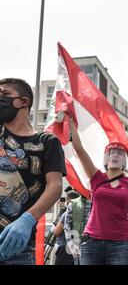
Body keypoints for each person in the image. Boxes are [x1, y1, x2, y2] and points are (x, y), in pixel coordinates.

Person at [0, 78, 65, 265]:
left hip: (15, 248)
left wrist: (29, 218)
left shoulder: (47, 143)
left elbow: (55, 186)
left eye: (4, 95)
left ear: (24, 101)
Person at [68, 119, 128, 265]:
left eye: (119, 153)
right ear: (106, 158)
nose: (115, 155)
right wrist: (72, 121)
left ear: (124, 160)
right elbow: (79, 149)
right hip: (92, 242)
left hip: (119, 244)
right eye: (111, 153)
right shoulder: (96, 177)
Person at [51, 190, 80, 265]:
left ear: (69, 200)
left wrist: (53, 228)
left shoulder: (67, 214)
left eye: (66, 199)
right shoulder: (81, 212)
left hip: (64, 248)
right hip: (77, 247)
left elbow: (57, 231)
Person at [64, 193, 91, 265]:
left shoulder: (99, 201)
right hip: (79, 247)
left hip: (97, 247)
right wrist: (72, 246)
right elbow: (67, 227)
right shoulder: (73, 204)